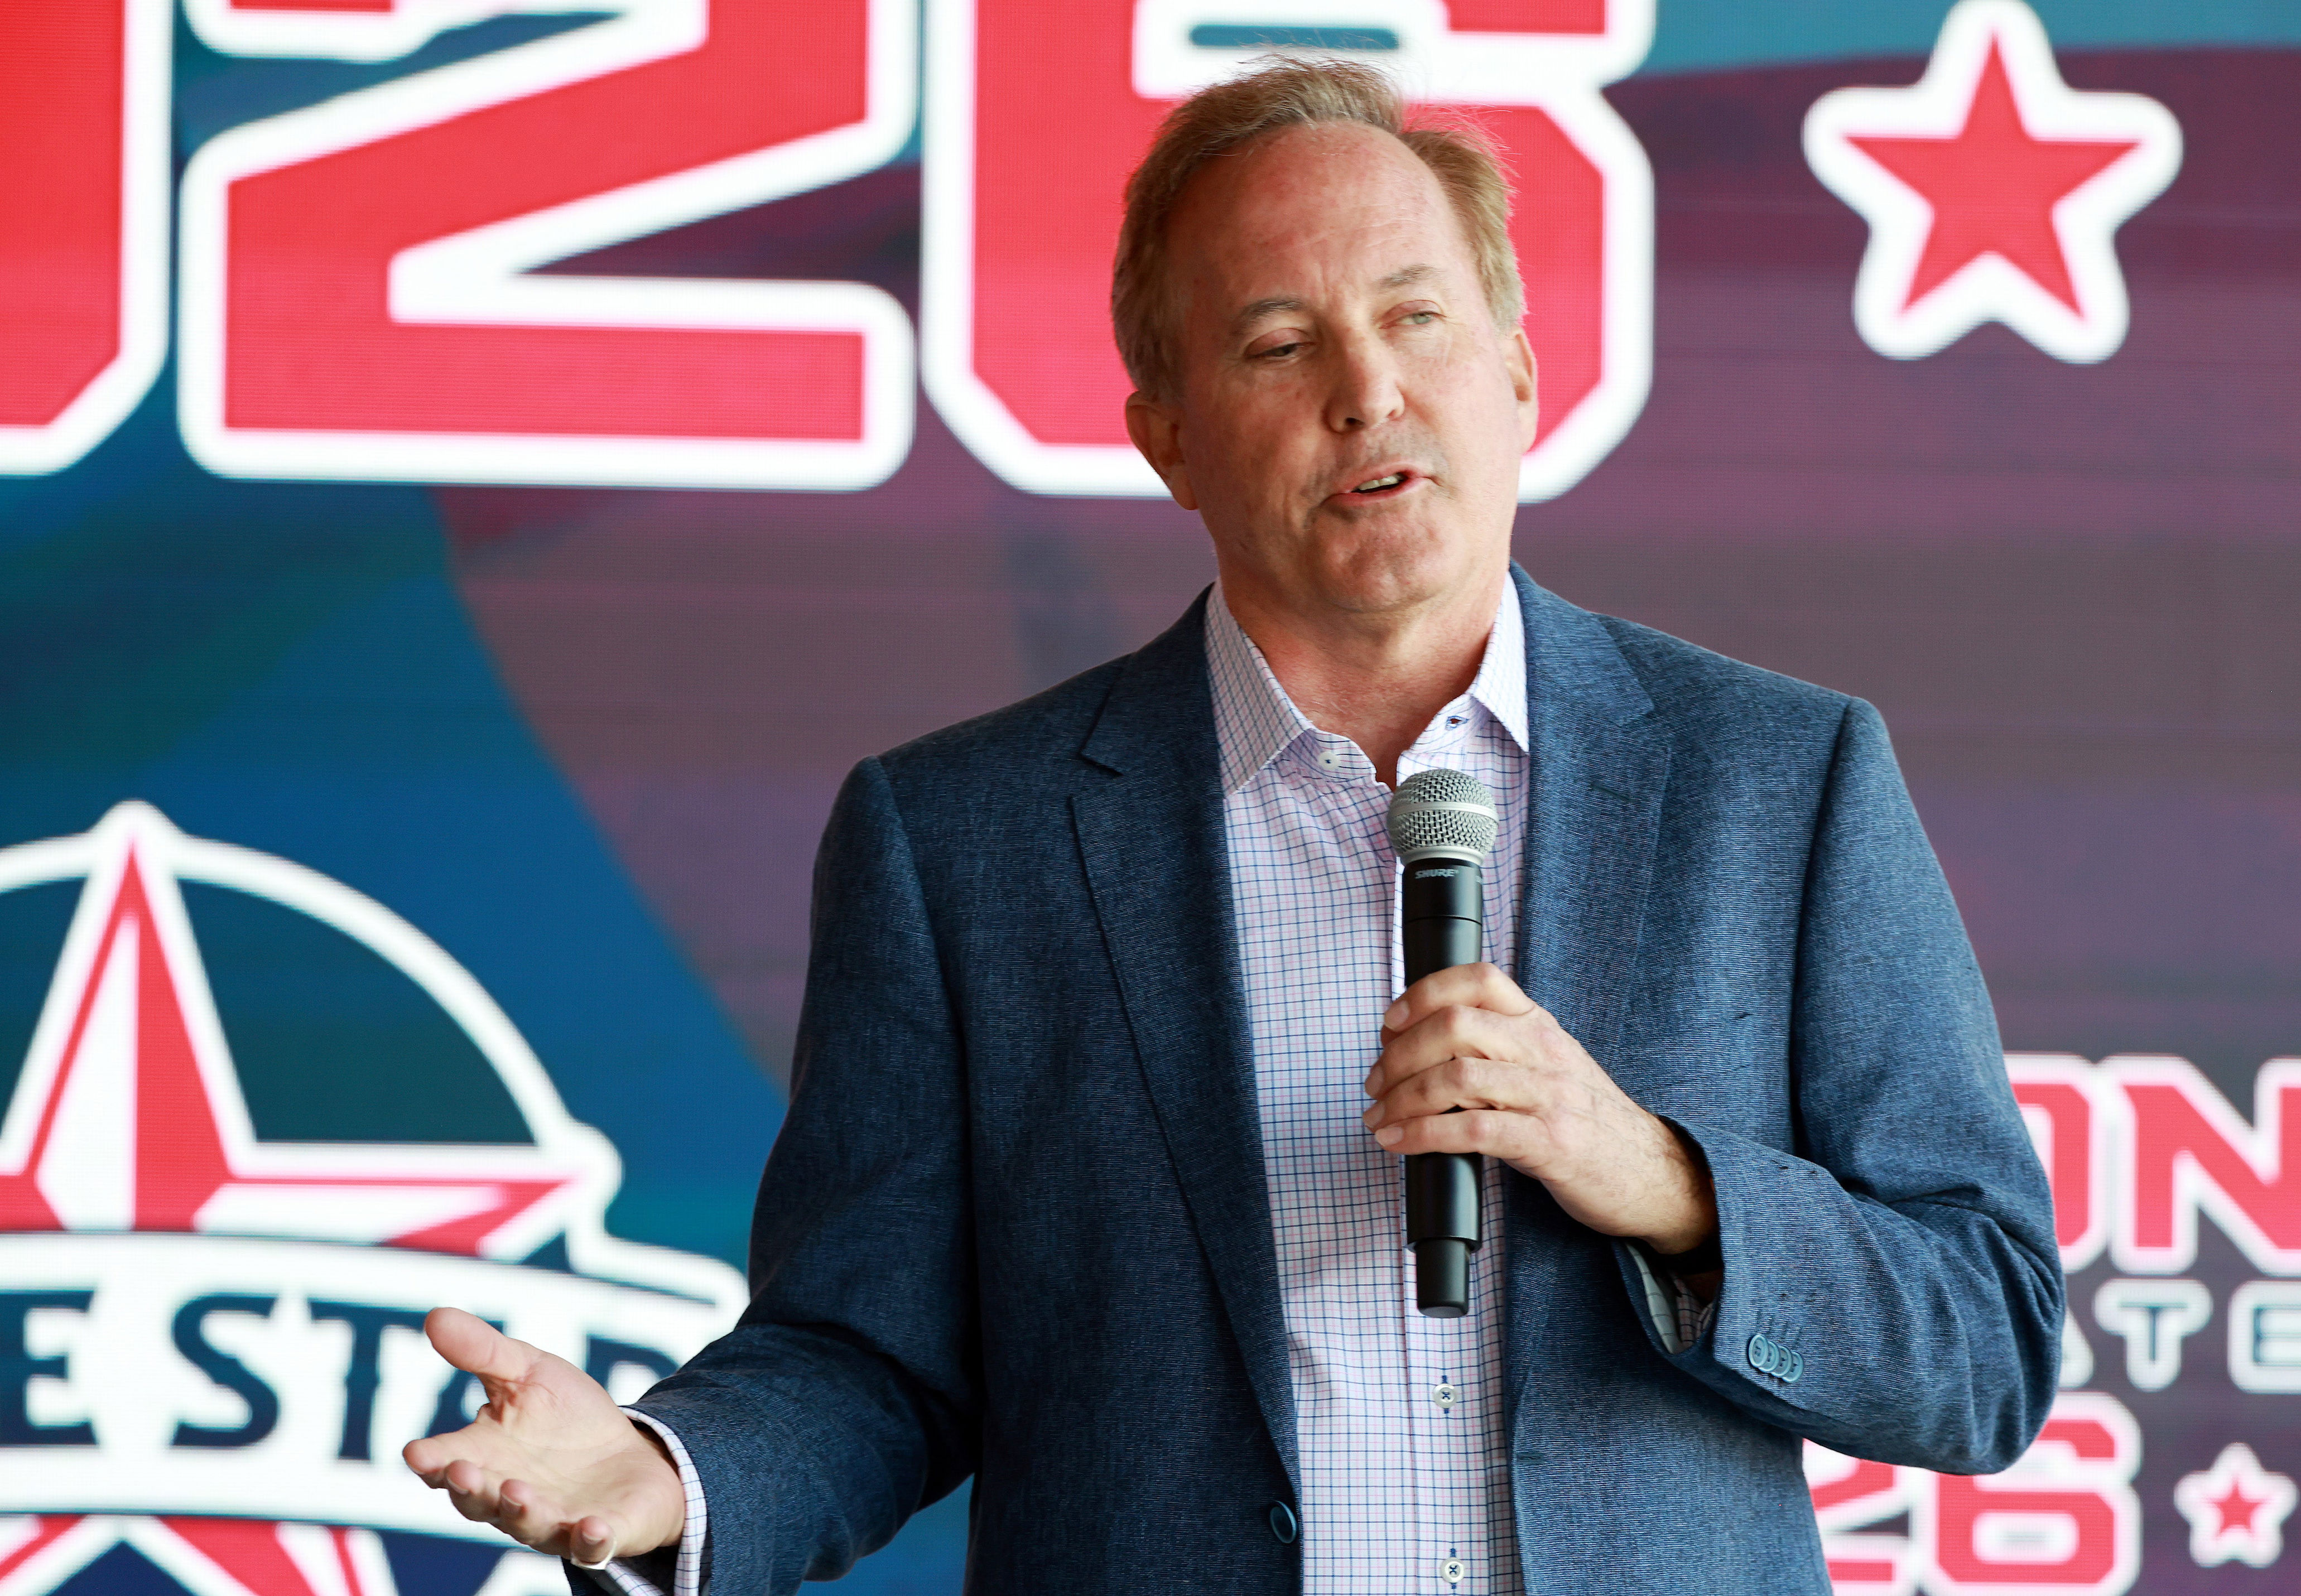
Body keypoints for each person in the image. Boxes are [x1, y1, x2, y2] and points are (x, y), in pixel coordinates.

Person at [405, 59, 2063, 1595]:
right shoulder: (961, 841)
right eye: (1280, 345)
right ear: (1169, 438)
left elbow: (1984, 1337)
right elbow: (869, 1358)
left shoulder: (1776, 779)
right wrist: (666, 1475)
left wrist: (1662, 1181)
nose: (1368, 389)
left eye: (1416, 317)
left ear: (1516, 373)